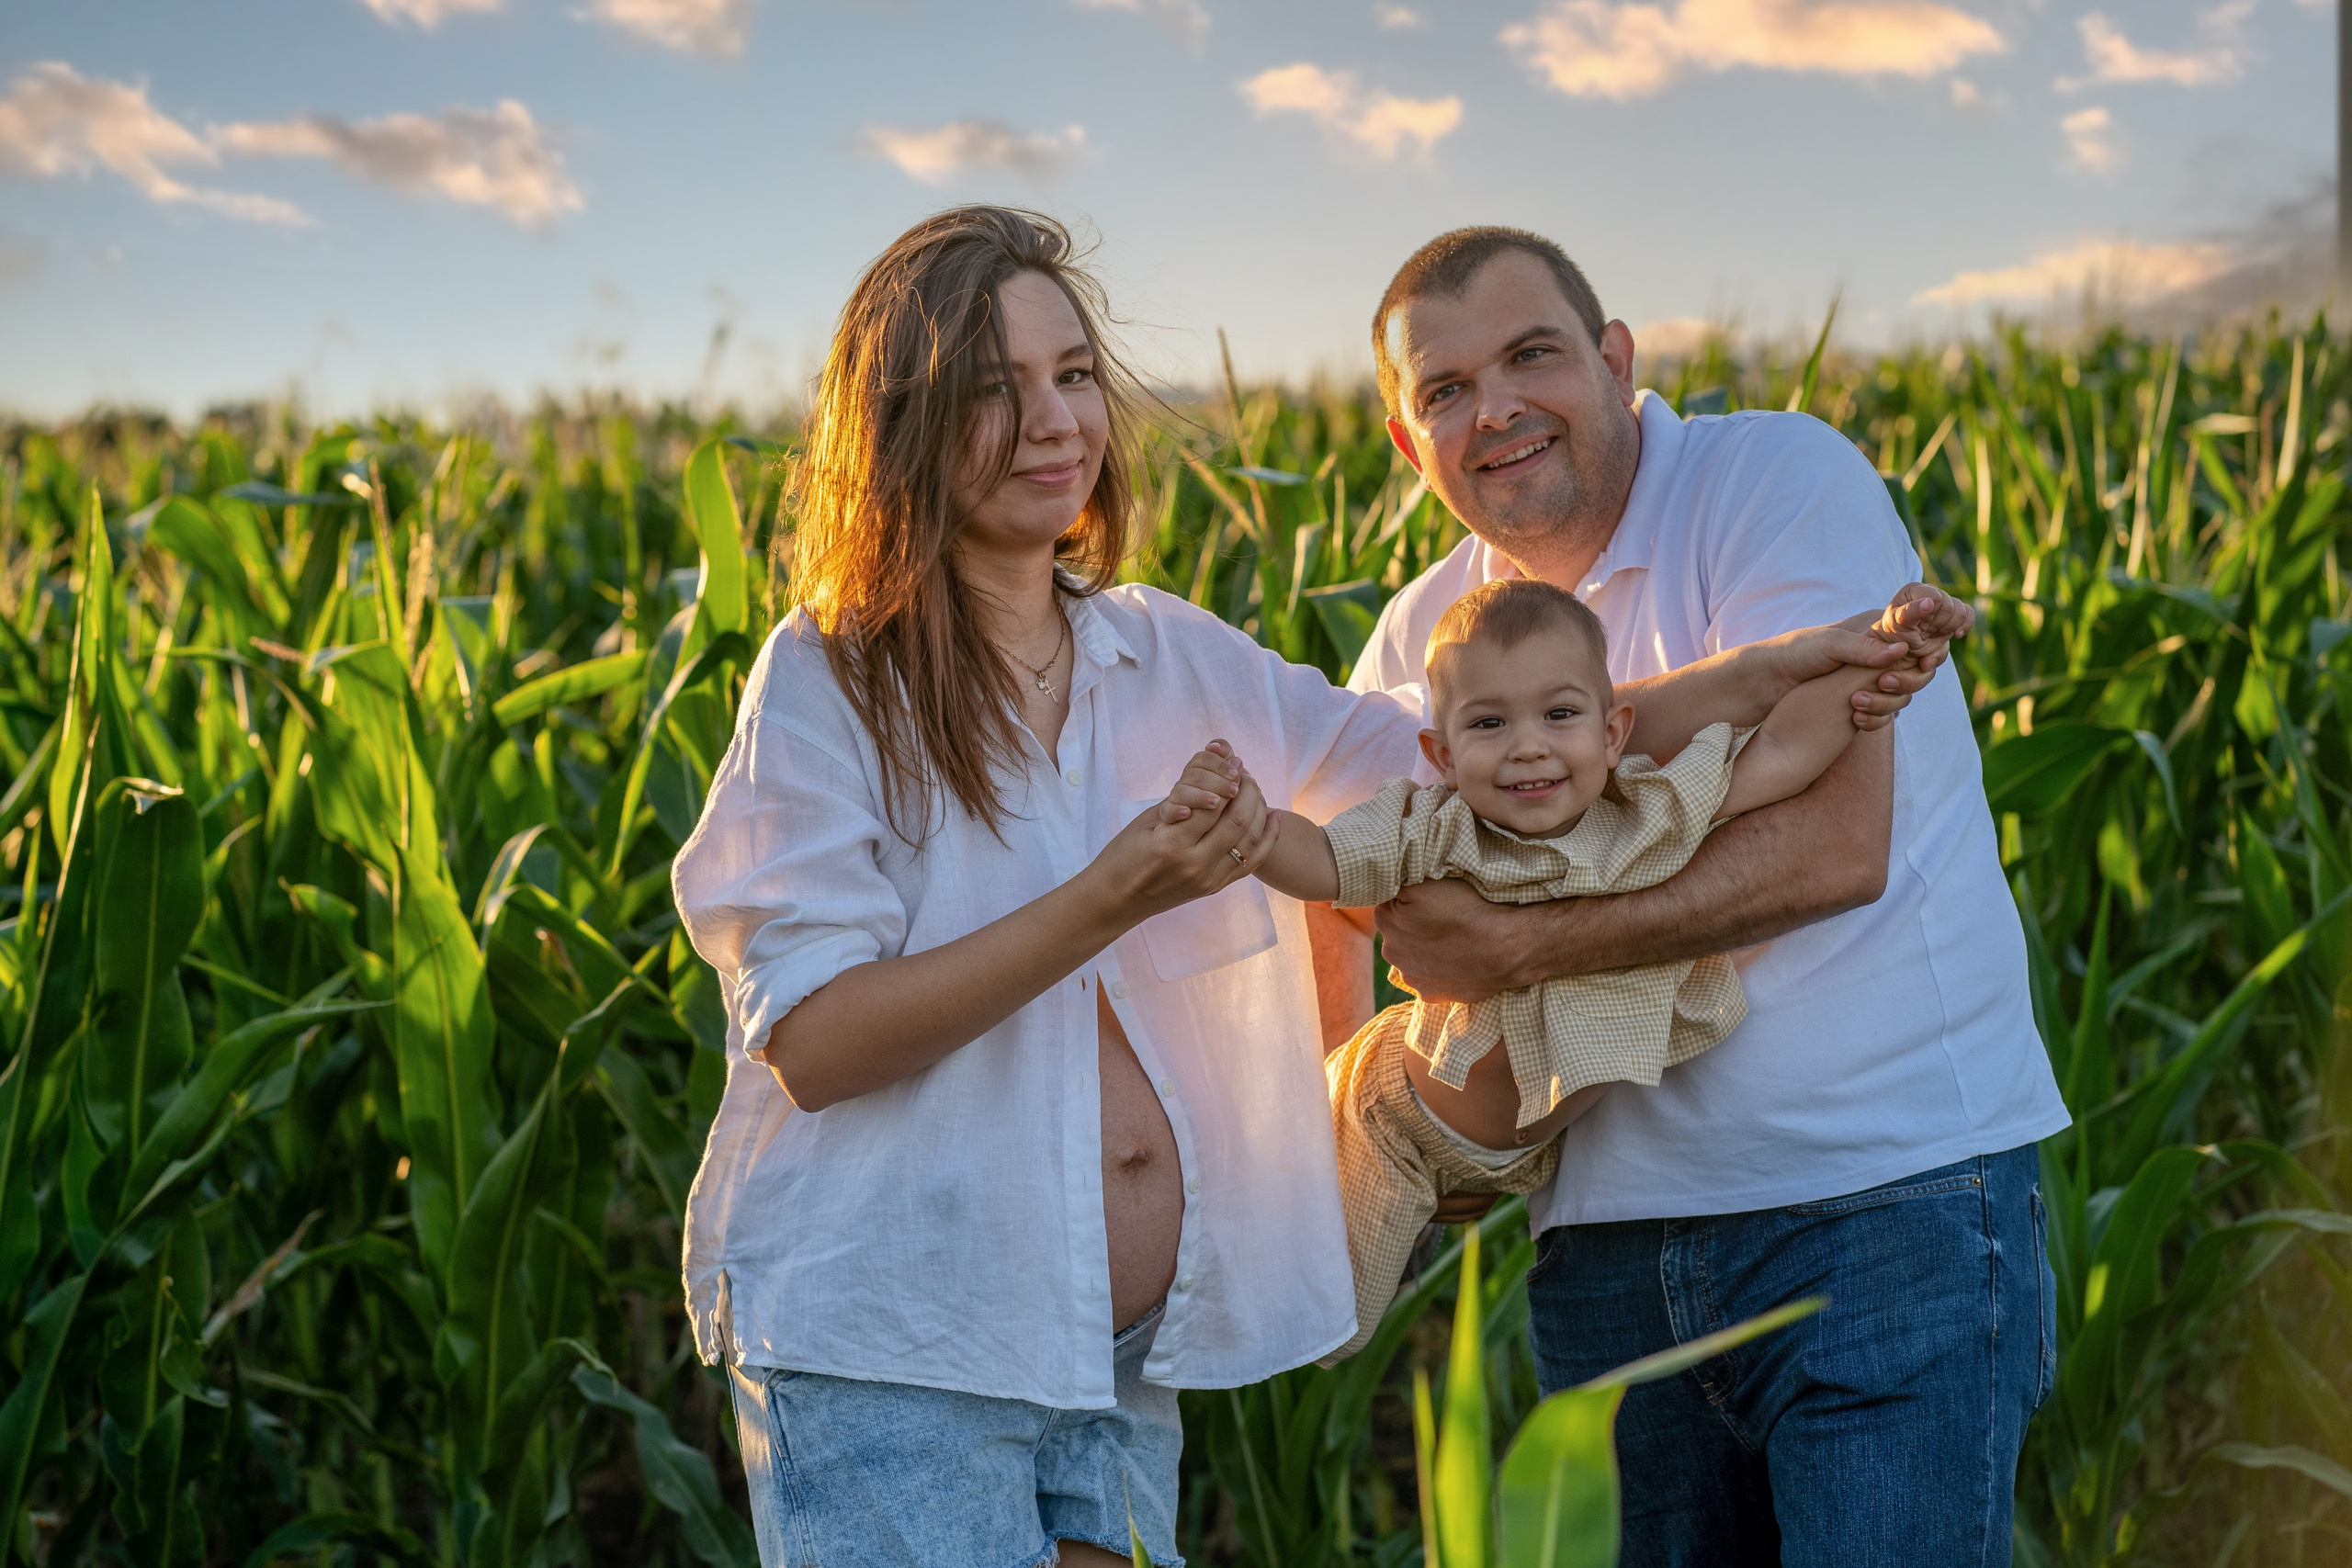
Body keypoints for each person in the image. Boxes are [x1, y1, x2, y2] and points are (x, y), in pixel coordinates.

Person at [672, 204, 1962, 1568]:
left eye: (1070, 377)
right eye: (996, 391)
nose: (1054, 422)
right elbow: (813, 1038)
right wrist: (1116, 892)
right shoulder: (833, 677)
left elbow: (1489, 760)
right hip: (899, 1350)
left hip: (1109, 1360)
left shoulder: (1165, 652)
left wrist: (1798, 661)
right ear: (905, 421)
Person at [1340, 224, 2072, 1564]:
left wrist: (1505, 940)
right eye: (1443, 390)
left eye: (1531, 355)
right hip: (1606, 1256)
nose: (1493, 408)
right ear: (1407, 439)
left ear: (1618, 364)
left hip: (1882, 1207)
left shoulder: (1772, 481)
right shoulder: (1420, 641)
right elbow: (1363, 915)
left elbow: (1831, 847)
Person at [1248, 576, 1960, 1361]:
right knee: (1308, 1322)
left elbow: (1784, 751)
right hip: (1396, 1125)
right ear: (1442, 757)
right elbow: (1325, 860)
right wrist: (1248, 828)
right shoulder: (1439, 830)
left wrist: (1888, 656)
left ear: (1614, 732)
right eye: (1489, 723)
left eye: (1560, 715)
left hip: (1507, 1155)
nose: (1528, 745)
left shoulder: (1645, 815)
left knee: (1312, 1319)